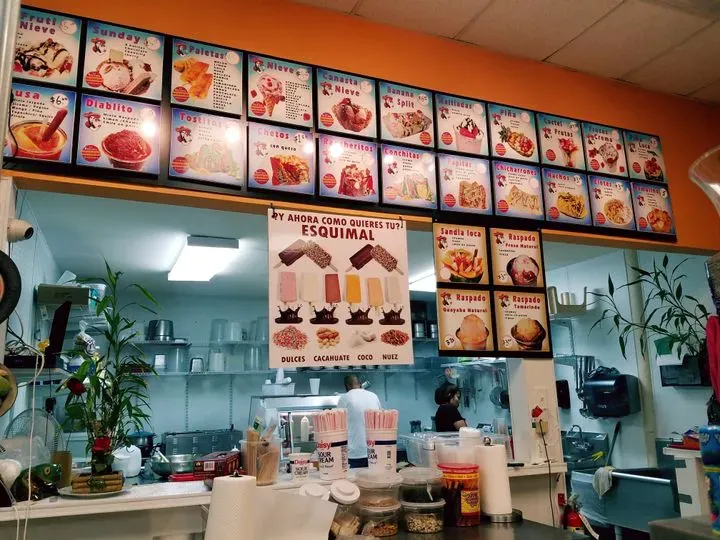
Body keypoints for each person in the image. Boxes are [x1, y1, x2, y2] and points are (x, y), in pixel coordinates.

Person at [337, 374, 381, 468]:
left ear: (347, 386)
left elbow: (337, 426)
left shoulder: (345, 398)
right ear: (360, 384)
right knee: (374, 476)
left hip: (354, 454)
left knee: (354, 477)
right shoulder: (374, 396)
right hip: (375, 450)